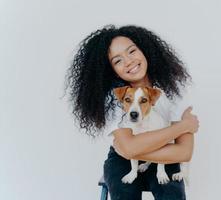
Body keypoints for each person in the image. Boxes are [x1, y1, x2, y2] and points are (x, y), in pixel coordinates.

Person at [65, 24, 200, 200]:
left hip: (164, 155)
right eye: (117, 61)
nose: (128, 61)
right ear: (110, 69)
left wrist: (132, 149)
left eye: (132, 51)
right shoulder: (114, 97)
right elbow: (128, 149)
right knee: (124, 194)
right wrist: (183, 126)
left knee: (171, 194)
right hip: (123, 160)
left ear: (144, 50)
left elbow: (184, 153)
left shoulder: (174, 88)